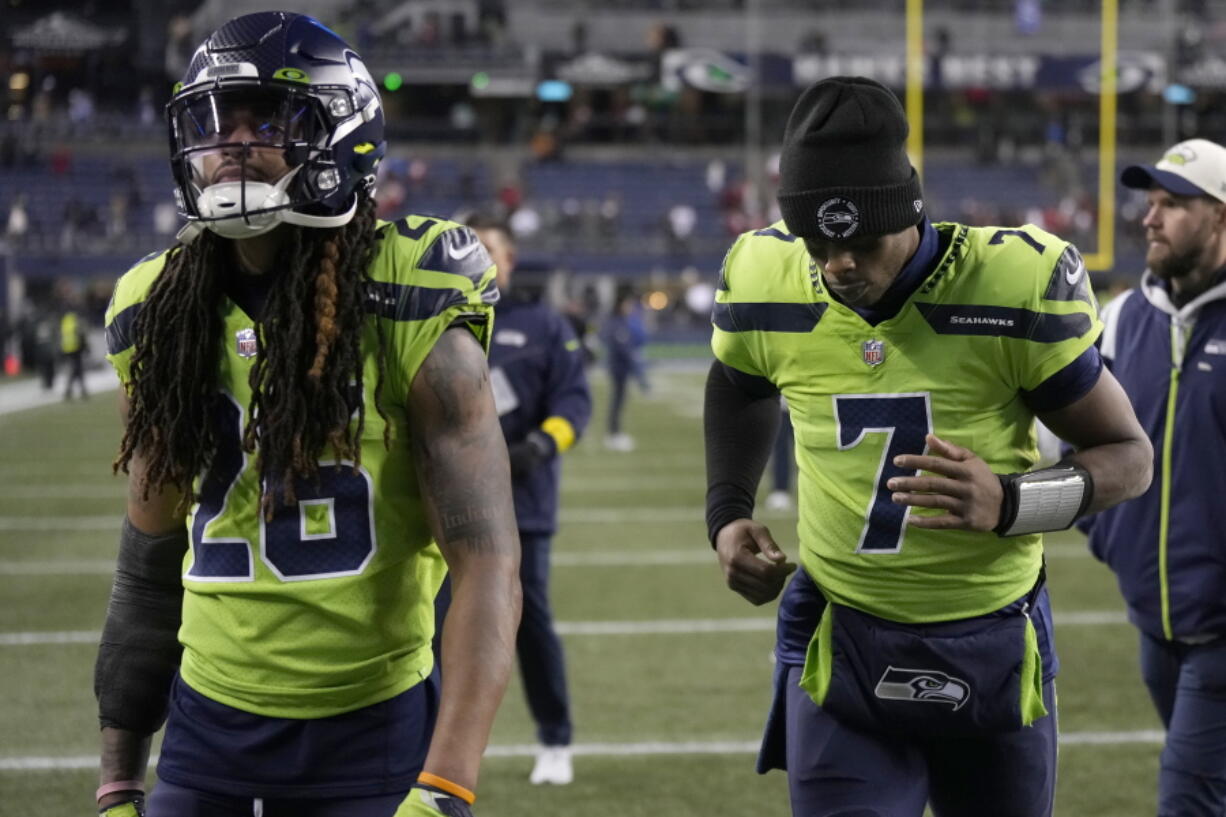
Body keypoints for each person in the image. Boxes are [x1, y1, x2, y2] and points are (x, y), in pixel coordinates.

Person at [94, 13, 520, 817]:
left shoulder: (409, 292)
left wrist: (448, 786)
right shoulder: (156, 309)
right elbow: (146, 568)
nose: (233, 141)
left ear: (343, 135)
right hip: (204, 733)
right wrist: (118, 782)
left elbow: (487, 562)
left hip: (369, 735)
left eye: (267, 117)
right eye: (216, 120)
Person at [703, 76, 1153, 817]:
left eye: (861, 242)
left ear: (909, 213)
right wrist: (727, 510)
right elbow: (740, 382)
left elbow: (1130, 458)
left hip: (992, 635)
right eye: (818, 244)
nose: (839, 264)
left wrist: (1012, 501)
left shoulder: (1012, 285)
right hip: (844, 635)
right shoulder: (766, 274)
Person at [1081, 138, 1226, 817]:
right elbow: (1072, 441)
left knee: (1187, 799)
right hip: (1155, 622)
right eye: (1152, 201)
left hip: (1221, 635)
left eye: (1174, 204)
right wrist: (1109, 533)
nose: (1151, 217)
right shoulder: (1121, 320)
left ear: (1220, 216)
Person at [468, 215, 591, 784]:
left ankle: (555, 738)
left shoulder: (543, 323)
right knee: (433, 625)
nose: (483, 258)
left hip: (523, 502)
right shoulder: (438, 319)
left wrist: (542, 445)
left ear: (511, 259)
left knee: (528, 621)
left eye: (490, 249)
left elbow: (575, 402)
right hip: (447, 504)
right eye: (471, 248)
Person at [599, 288, 648, 452]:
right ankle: (613, 433)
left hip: (620, 368)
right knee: (617, 401)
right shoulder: (617, 322)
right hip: (618, 368)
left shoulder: (621, 321)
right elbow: (622, 347)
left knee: (619, 401)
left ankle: (614, 432)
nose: (630, 307)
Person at [60, 307, 88, 400]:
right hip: (76, 349)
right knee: (76, 370)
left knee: (76, 370)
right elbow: (81, 335)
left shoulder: (65, 322)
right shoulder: (76, 322)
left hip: (67, 349)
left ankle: (78, 390)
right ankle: (70, 390)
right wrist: (86, 347)